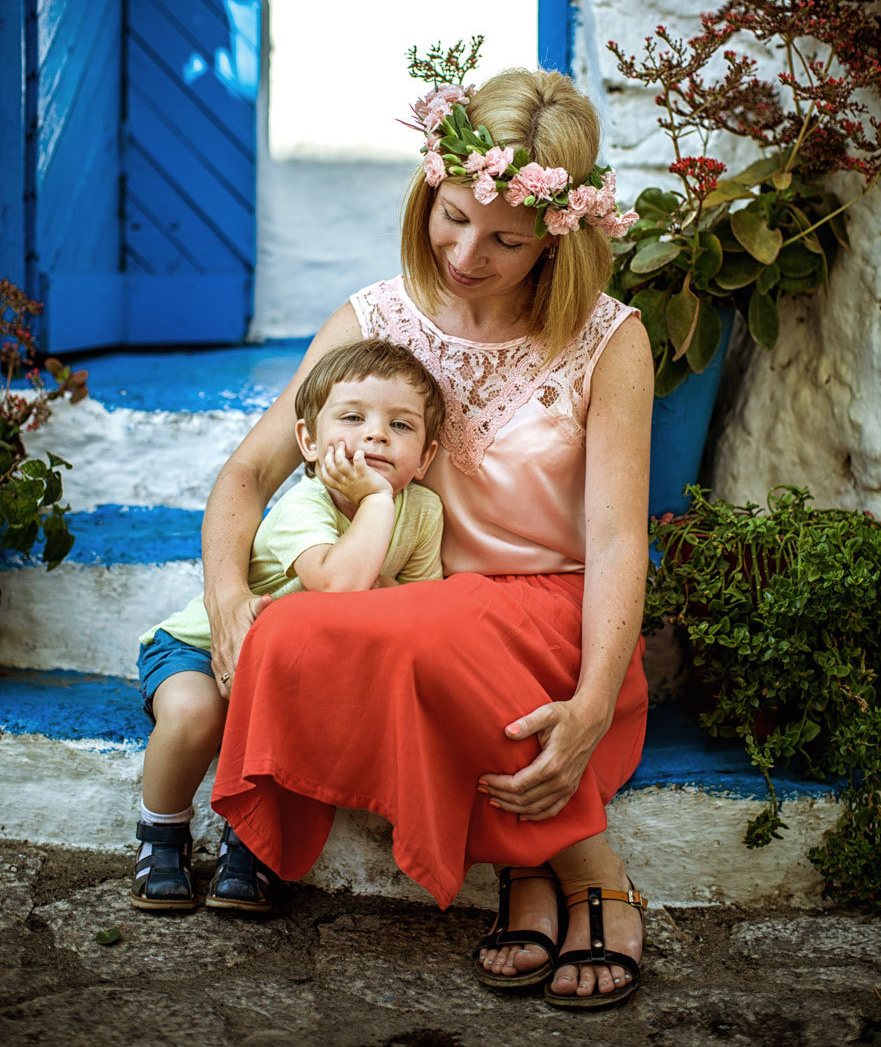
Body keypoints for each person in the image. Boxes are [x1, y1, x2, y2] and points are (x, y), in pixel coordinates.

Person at [207, 59, 654, 1010]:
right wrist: (229, 601)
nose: (463, 252)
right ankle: (545, 859)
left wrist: (591, 702)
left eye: (506, 237)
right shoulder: (374, 320)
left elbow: (617, 541)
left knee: (425, 626)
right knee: (292, 627)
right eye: (450, 215)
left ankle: (577, 863)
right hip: (416, 614)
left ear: (558, 235)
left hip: (552, 618)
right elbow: (247, 473)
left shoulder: (609, 338)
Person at [131, 339, 445, 913]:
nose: (375, 436)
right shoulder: (306, 505)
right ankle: (163, 832)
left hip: (284, 667)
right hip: (200, 649)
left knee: (293, 717)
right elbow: (338, 582)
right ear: (309, 440)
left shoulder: (424, 512)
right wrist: (375, 500)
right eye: (353, 418)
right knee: (199, 714)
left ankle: (250, 840)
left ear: (423, 458)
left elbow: (418, 608)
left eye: (400, 425)